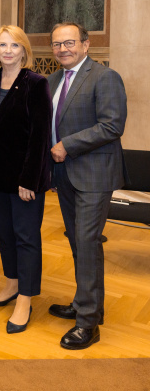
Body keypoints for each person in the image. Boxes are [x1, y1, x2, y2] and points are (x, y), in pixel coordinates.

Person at [48, 22, 127, 350]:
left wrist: (67, 144)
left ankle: (89, 323)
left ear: (85, 44)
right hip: (64, 176)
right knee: (78, 243)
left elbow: (112, 125)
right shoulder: (53, 80)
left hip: (94, 174)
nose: (62, 49)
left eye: (69, 43)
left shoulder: (104, 77)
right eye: (56, 44)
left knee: (87, 242)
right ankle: (85, 303)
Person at [0, 25, 51, 333]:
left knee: (26, 238)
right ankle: (11, 283)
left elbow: (39, 137)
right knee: (4, 234)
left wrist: (29, 180)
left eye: (14, 45)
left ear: (24, 50)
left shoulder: (36, 83)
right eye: (2, 45)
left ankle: (25, 297)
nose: (8, 50)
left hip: (23, 178)